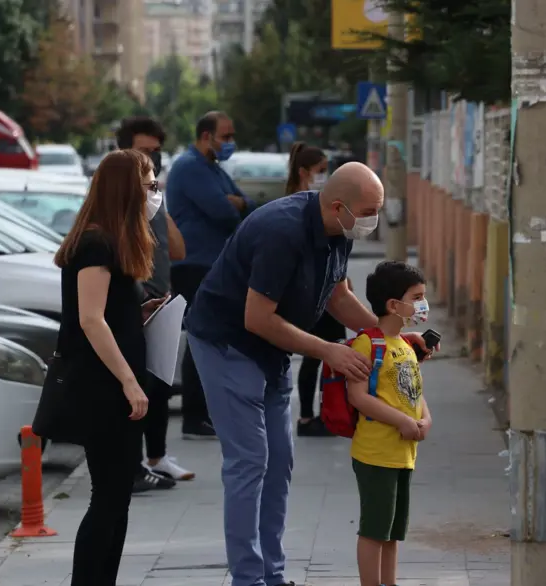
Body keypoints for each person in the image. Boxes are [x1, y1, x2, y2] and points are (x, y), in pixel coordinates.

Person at [185, 162, 435, 586]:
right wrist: (329, 352)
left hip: (273, 353)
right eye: (369, 210)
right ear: (339, 205)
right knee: (250, 462)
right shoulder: (281, 232)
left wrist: (391, 341)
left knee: (280, 461)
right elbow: (256, 318)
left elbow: (337, 296)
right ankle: (249, 579)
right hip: (228, 345)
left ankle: (273, 574)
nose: (375, 218)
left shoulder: (338, 231)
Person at [53, 149, 162, 586]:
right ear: (128, 188)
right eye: (150, 183)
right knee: (108, 498)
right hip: (102, 388)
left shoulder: (112, 241)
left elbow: (108, 311)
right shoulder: (96, 243)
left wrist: (139, 310)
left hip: (115, 388)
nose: (155, 192)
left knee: (117, 499)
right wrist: (130, 382)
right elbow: (89, 319)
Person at [166, 111, 258, 440]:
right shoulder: (190, 167)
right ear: (207, 136)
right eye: (226, 136)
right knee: (203, 339)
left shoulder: (212, 169)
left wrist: (236, 202)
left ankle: (208, 412)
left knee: (215, 338)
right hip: (193, 265)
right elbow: (222, 211)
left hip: (213, 264)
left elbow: (244, 203)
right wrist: (232, 203)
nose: (230, 143)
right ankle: (195, 417)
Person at [115, 117, 195, 490]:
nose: (152, 158)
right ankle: (130, 466)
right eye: (144, 151)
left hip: (161, 300)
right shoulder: (118, 200)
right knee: (137, 386)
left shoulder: (151, 199)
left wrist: (159, 204)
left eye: (156, 152)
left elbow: (177, 249)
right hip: (136, 303)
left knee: (160, 383)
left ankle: (156, 458)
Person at [347, 261, 432, 586]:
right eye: (418, 296)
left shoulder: (406, 346)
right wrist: (400, 421)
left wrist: (425, 418)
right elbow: (358, 396)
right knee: (374, 529)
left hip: (403, 454)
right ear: (394, 305)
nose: (423, 304)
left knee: (393, 531)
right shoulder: (368, 344)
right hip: (375, 454)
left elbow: (412, 392)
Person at [284, 142, 340, 437]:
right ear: (304, 172)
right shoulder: (300, 204)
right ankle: (308, 417)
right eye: (321, 171)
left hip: (326, 289)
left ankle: (322, 414)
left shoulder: (315, 200)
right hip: (315, 293)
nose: (325, 175)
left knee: (324, 353)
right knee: (316, 353)